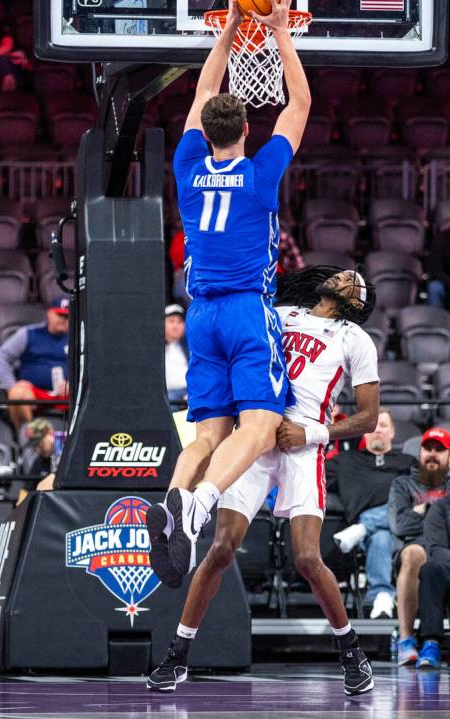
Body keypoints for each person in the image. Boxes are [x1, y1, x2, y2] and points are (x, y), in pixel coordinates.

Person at [147, 266, 379, 696]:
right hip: (254, 439)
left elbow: (368, 416)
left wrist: (313, 433)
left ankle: (352, 652)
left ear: (357, 301)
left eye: (352, 277)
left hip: (302, 445)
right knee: (219, 550)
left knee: (308, 559)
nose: (343, 274)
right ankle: (178, 655)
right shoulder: (281, 311)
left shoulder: (355, 339)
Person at [146, 0, 311, 580]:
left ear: (209, 132)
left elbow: (204, 91)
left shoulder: (187, 168)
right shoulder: (262, 172)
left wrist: (227, 32)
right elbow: (298, 106)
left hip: (199, 315)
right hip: (245, 309)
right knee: (261, 426)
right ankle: (196, 508)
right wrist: (280, 31)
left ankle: (172, 507)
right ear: (245, 130)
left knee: (206, 433)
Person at [329, 409, 412, 619]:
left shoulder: (407, 463)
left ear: (392, 432)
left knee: (400, 508)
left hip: (405, 531)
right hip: (366, 540)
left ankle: (363, 527)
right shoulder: (345, 461)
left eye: (383, 425)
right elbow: (310, 475)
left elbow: (423, 496)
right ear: (363, 432)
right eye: (372, 426)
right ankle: (382, 594)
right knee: (380, 536)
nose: (378, 431)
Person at [388, 428, 450, 665]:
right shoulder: (402, 484)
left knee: (437, 561)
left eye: (439, 450)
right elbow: (400, 525)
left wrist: (421, 510)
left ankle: (431, 643)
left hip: (444, 546)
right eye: (428, 449)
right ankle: (406, 640)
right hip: (414, 546)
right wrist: (436, 515)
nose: (432, 454)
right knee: (416, 554)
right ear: (419, 452)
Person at [0, 298, 69, 432]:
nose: (64, 319)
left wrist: (74, 385)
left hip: (68, 393)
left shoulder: (78, 336)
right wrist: (11, 385)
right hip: (35, 392)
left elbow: (88, 367)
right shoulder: (29, 334)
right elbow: (1, 357)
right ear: (49, 313)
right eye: (60, 315)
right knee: (17, 394)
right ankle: (29, 441)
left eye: (67, 316)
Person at [417, 494, 450, 668]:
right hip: (447, 567)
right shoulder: (440, 508)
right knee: (430, 570)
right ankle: (431, 644)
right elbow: (436, 548)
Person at [165, 304, 189, 406]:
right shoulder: (153, 349)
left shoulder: (189, 347)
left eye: (180, 322)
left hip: (189, 394)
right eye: (171, 321)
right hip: (167, 397)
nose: (176, 326)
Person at [426, 226, 450, 309]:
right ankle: (435, 320)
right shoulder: (441, 240)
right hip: (445, 283)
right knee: (434, 287)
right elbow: (435, 270)